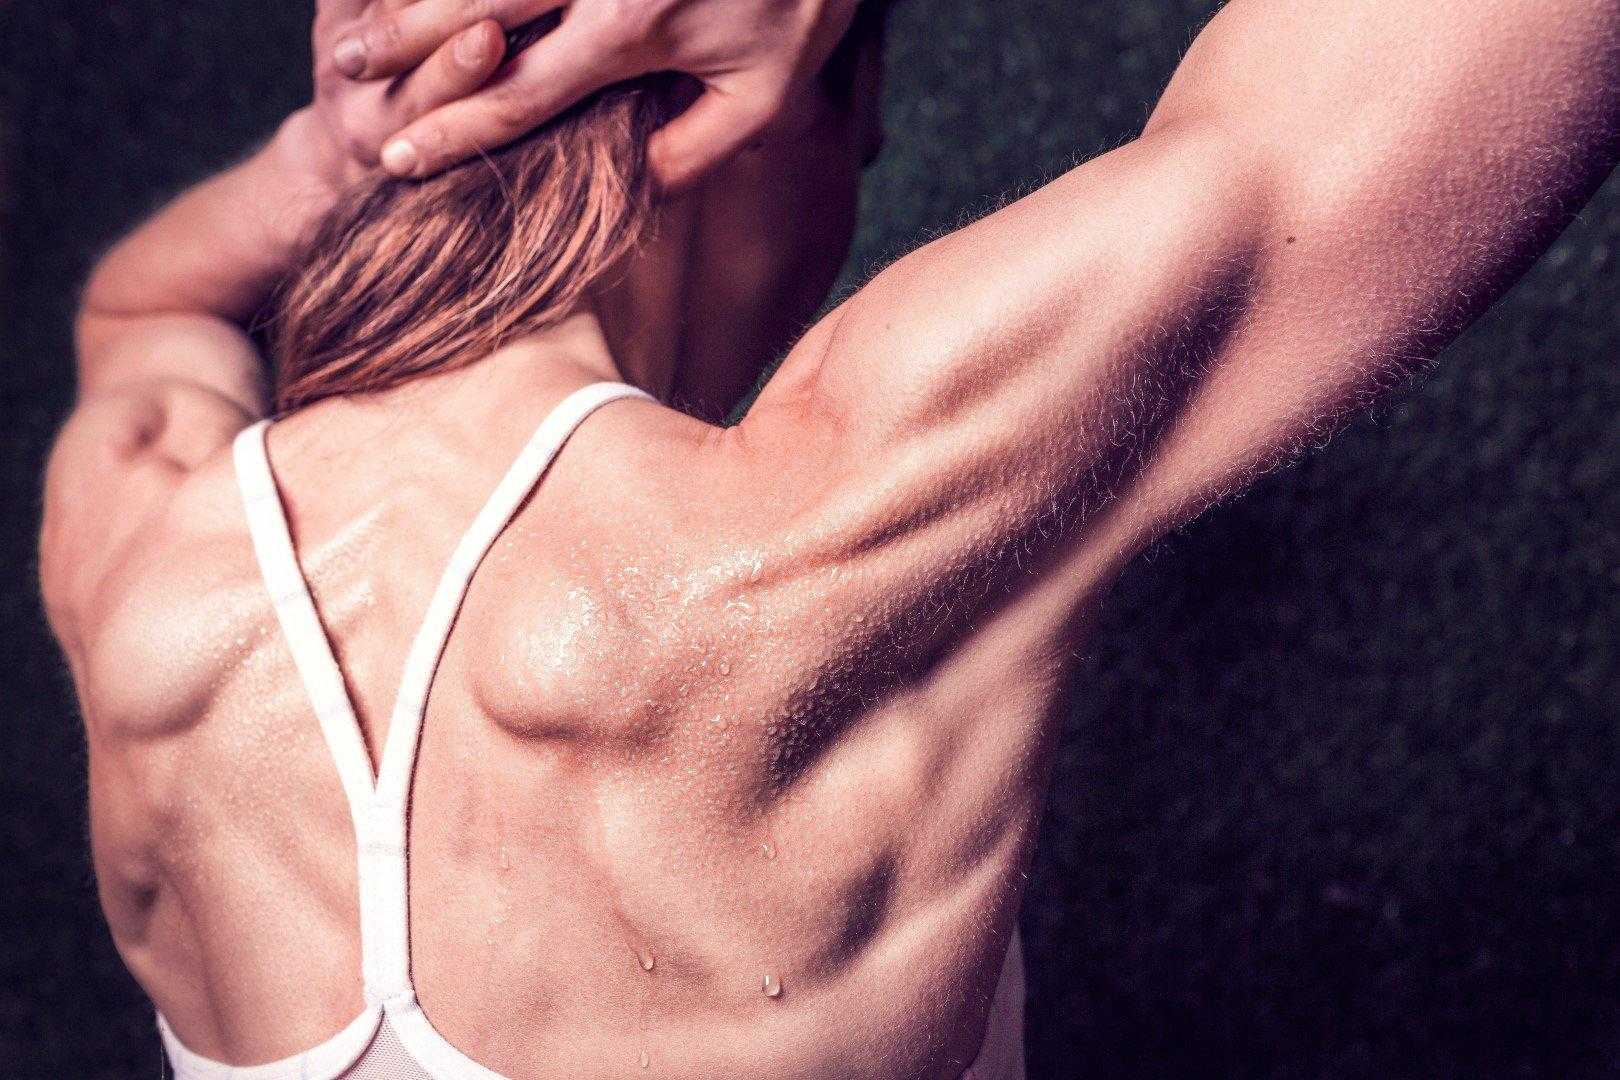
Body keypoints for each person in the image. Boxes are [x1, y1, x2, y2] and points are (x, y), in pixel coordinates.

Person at [35, 0, 1619, 1076]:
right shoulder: (832, 517)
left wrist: (347, 149)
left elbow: (140, 306)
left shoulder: (148, 551)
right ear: (780, 111)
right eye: (860, 152)